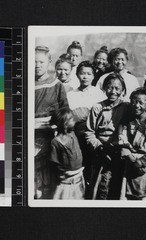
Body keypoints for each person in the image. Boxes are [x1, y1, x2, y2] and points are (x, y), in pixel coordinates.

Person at [85, 73, 130, 199]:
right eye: (109, 87)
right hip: (101, 150)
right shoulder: (97, 108)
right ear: (104, 88)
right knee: (100, 185)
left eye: (117, 88)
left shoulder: (126, 107)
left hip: (119, 150)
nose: (113, 91)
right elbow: (89, 132)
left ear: (123, 90)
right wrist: (99, 147)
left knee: (117, 184)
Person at [35, 45, 69, 199]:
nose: (37, 65)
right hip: (28, 138)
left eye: (41, 62)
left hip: (49, 139)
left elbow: (65, 113)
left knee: (47, 180)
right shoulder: (23, 83)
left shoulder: (56, 85)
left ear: (49, 63)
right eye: (34, 62)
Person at [67, 60, 106, 190]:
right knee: (80, 162)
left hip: (95, 134)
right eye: (82, 73)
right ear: (77, 75)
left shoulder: (98, 93)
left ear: (93, 76)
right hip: (77, 135)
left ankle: (92, 188)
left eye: (89, 74)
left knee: (94, 163)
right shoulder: (71, 94)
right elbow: (71, 117)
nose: (85, 77)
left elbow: (101, 114)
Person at [49, 108, 85, 199]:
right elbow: (54, 161)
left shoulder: (72, 133)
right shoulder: (56, 142)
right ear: (65, 124)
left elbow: (81, 114)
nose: (75, 121)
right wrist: (63, 172)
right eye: (72, 119)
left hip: (78, 174)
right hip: (66, 178)